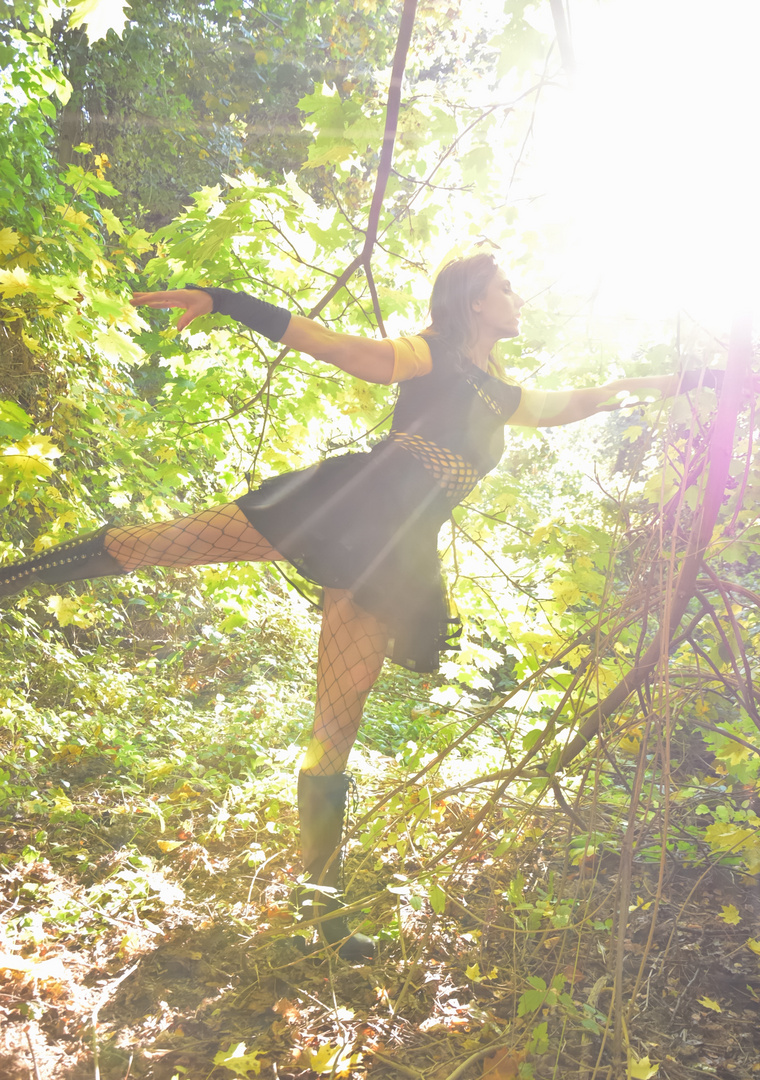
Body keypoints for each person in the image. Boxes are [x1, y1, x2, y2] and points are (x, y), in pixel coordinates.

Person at [0, 253, 714, 962]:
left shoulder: (506, 396)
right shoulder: (428, 354)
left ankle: (321, 914)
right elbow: (334, 345)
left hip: (392, 554)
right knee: (163, 543)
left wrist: (696, 380)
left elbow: (597, 395)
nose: (516, 296)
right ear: (473, 302)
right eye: (505, 288)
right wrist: (221, 298)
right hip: (345, 505)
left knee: (336, 726)